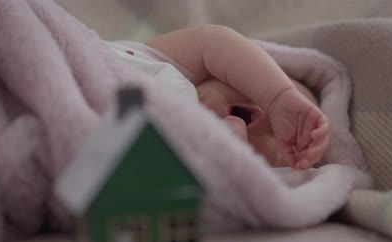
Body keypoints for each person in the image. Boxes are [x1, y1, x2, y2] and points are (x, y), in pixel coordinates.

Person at [107, 25, 329, 170]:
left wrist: (228, 162)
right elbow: (212, 41)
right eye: (259, 87)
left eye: (289, 141)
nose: (274, 119)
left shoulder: (190, 168)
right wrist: (278, 94)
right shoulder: (165, 64)